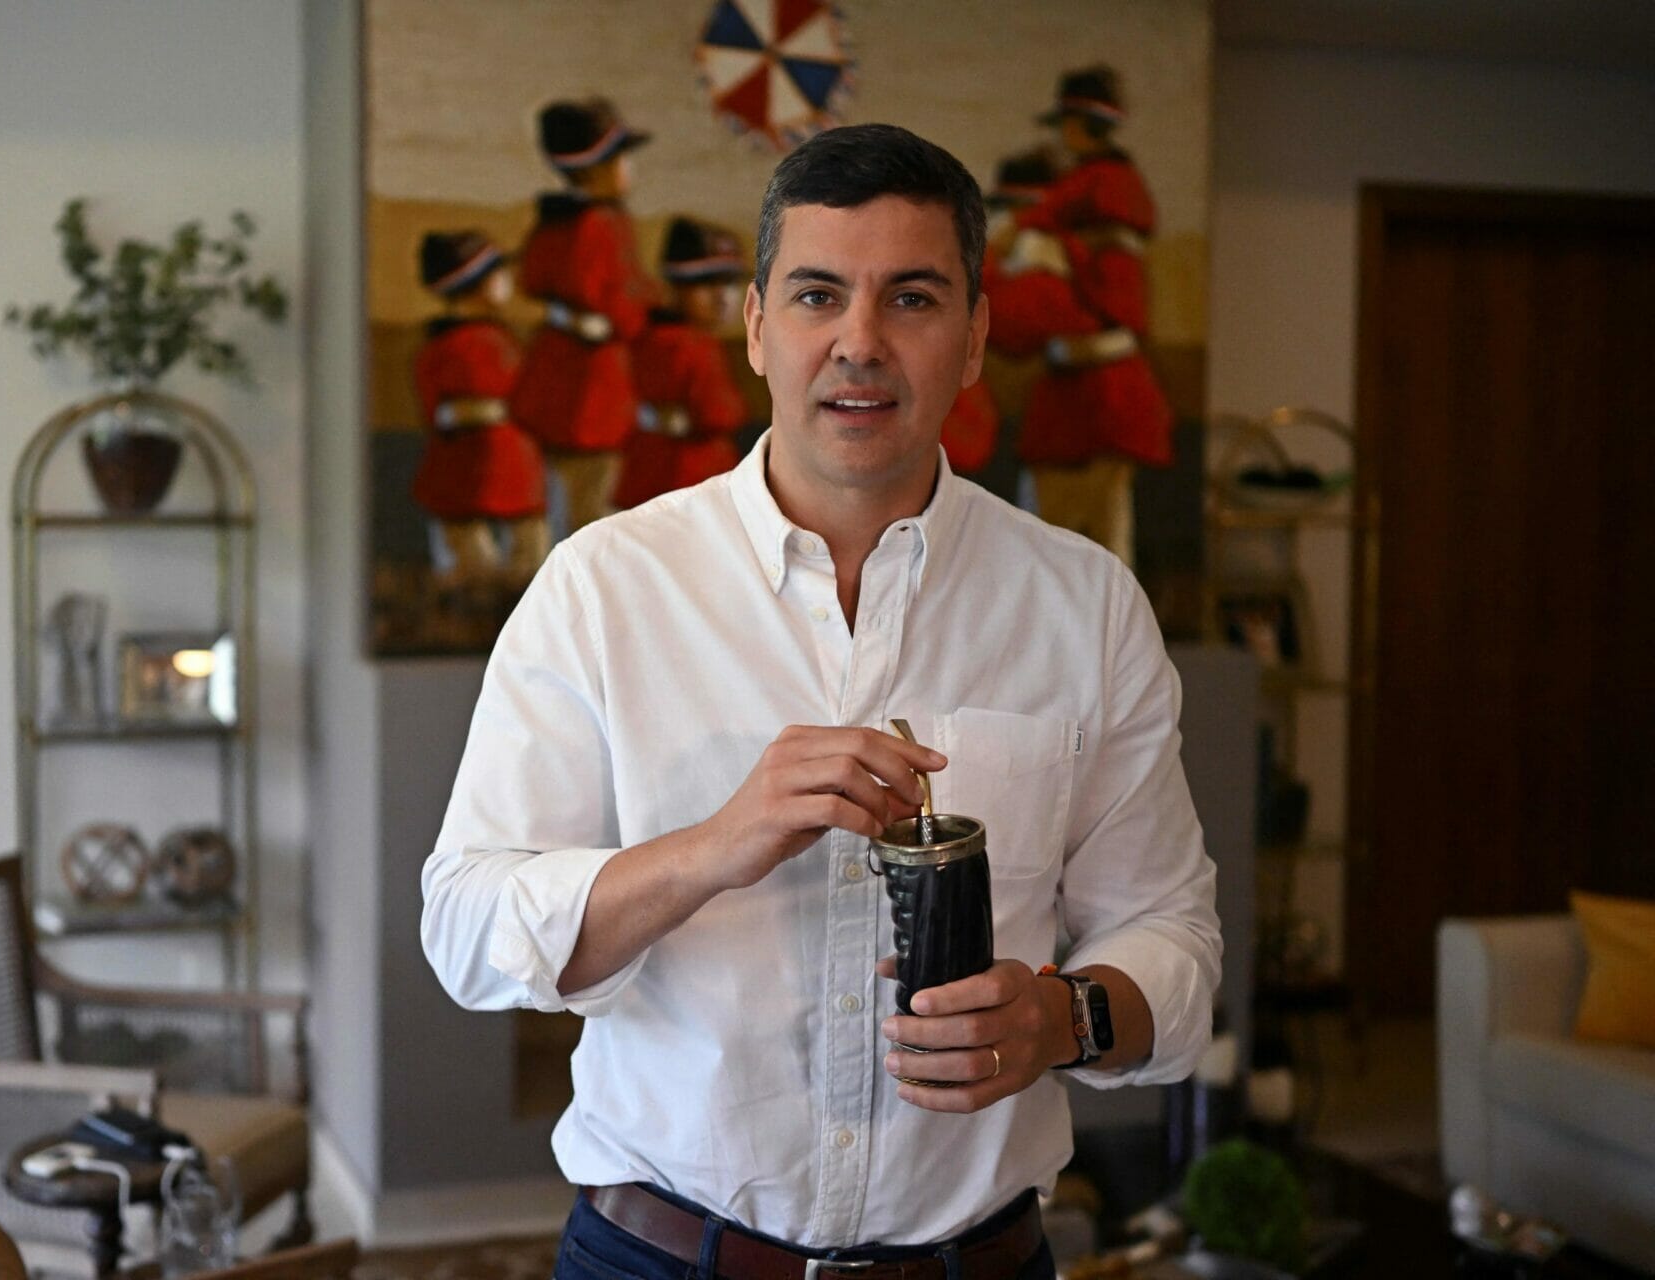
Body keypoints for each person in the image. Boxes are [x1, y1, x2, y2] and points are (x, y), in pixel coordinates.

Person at [423, 123, 1220, 1280]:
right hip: (655, 1258)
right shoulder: (601, 586)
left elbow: (1174, 935)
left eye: (912, 298)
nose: (859, 342)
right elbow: (465, 928)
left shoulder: (1086, 605)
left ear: (976, 334)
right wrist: (711, 846)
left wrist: (1064, 1018)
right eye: (816, 295)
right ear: (756, 326)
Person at [989, 67, 1173, 566]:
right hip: (1086, 389)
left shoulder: (1077, 213)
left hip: (1095, 394)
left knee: (1081, 545)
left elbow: (1018, 323)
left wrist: (990, 265)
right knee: (1089, 538)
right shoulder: (1098, 198)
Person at [511, 97, 659, 533]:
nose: (629, 170)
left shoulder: (553, 220)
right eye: (621, 159)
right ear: (599, 168)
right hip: (593, 381)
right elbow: (622, 305)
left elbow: (530, 279)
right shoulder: (602, 224)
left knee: (563, 494)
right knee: (592, 498)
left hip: (553, 368)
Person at [409, 230, 549, 609]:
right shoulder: (494, 344)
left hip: (458, 459)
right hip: (505, 459)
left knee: (475, 556)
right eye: (498, 273)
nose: (507, 281)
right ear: (477, 284)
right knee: (521, 556)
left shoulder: (434, 348)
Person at [613, 216, 750, 510]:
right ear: (675, 289)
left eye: (729, 283)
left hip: (644, 472)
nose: (722, 297)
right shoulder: (697, 346)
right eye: (704, 284)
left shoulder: (644, 335)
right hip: (694, 476)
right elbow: (721, 413)